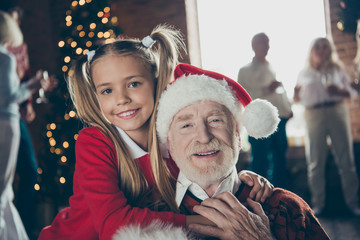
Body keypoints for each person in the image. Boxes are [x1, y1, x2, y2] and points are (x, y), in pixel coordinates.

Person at [38, 25, 273, 240]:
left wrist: (243, 179)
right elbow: (113, 225)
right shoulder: (95, 142)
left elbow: (204, 165)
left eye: (133, 84)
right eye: (107, 90)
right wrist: (210, 222)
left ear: (155, 81)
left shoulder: (172, 133)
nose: (121, 99)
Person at [152, 63, 329, 239]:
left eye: (215, 120)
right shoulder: (150, 215)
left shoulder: (287, 208)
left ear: (237, 136)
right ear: (170, 144)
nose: (204, 137)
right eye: (186, 125)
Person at [0, 4, 57, 238]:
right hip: (7, 122)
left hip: (10, 119)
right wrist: (32, 87)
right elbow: (8, 97)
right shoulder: (5, 58)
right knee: (5, 189)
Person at [294, 37, 360, 216]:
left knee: (346, 159)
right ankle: (318, 205)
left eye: (325, 47)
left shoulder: (337, 69)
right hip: (313, 114)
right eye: (317, 46)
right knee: (315, 160)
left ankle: (353, 204)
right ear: (312, 49)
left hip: (336, 111)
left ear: (329, 50)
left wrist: (339, 91)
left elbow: (353, 92)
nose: (321, 50)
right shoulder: (304, 72)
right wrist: (295, 95)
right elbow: (297, 99)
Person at [238, 33, 293, 188]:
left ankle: (279, 195)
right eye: (263, 42)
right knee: (260, 159)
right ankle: (256, 195)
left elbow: (279, 93)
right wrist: (266, 89)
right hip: (258, 121)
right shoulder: (244, 70)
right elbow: (243, 96)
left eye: (268, 43)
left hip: (279, 119)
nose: (266, 46)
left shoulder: (272, 67)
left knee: (280, 158)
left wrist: (288, 110)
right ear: (254, 45)